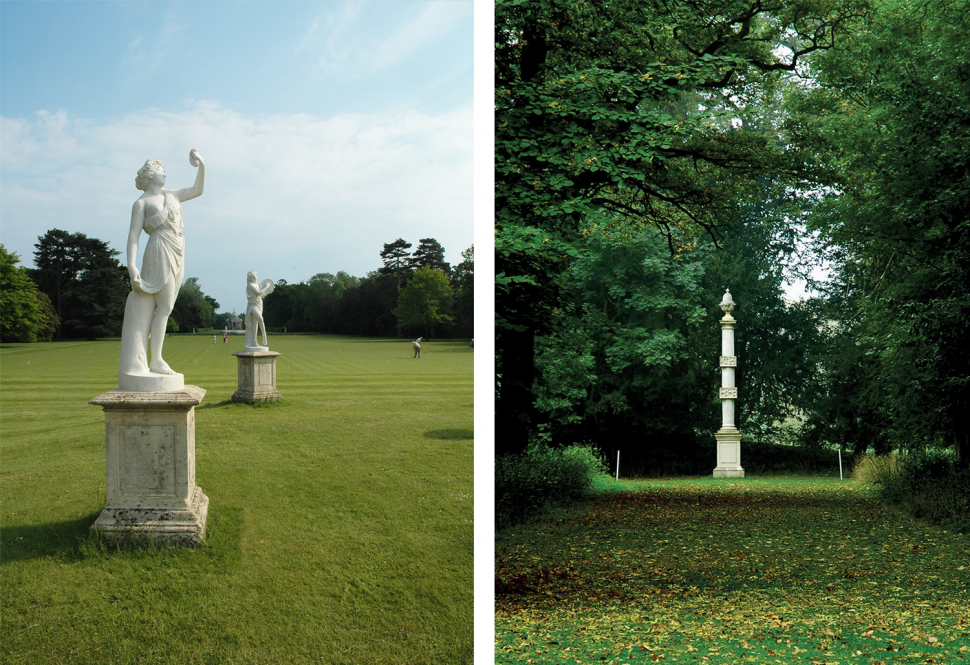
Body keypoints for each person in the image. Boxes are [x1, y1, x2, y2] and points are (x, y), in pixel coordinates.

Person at [118, 150, 205, 384]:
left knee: (167, 307)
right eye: (160, 169)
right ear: (149, 174)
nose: (164, 173)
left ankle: (155, 357)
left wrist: (202, 166)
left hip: (178, 248)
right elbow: (133, 236)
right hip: (158, 250)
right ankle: (155, 358)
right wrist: (131, 266)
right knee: (163, 305)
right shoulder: (142, 203)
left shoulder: (172, 195)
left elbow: (197, 190)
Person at [245, 270, 275, 348]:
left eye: (255, 276)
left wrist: (268, 292)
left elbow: (260, 295)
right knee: (260, 319)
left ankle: (254, 341)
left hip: (259, 304)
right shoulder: (250, 285)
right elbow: (259, 293)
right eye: (253, 276)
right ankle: (264, 335)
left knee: (256, 322)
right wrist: (267, 287)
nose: (255, 277)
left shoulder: (257, 284)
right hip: (252, 305)